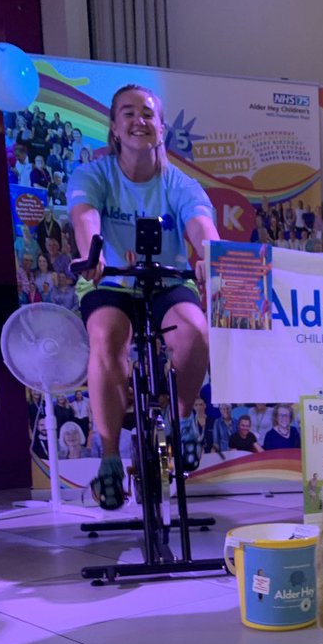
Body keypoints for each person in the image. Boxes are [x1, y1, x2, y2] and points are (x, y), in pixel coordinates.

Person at [69, 82, 221, 510]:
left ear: (161, 127)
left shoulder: (180, 184)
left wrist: (209, 256)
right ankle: (111, 458)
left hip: (166, 279)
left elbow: (202, 228)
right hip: (112, 281)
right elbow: (86, 218)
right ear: (115, 128)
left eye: (148, 114)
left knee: (194, 333)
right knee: (106, 338)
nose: (140, 120)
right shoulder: (93, 175)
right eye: (129, 113)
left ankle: (183, 417)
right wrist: (92, 253)